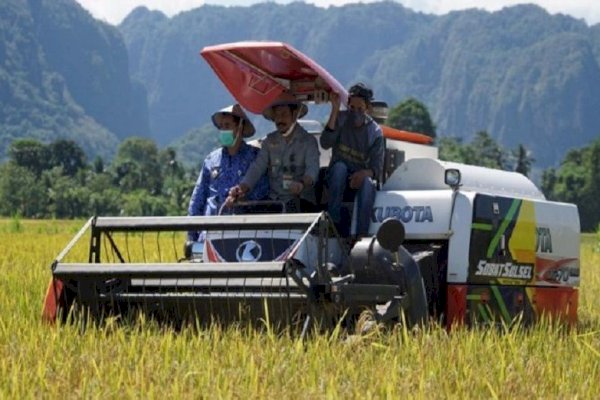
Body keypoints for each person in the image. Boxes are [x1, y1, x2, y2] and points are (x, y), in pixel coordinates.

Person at [227, 92, 320, 212]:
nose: (279, 119)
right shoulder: (269, 141)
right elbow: (257, 168)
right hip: (275, 201)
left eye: (284, 114)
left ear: (294, 115)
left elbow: (312, 171)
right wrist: (242, 187)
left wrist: (301, 184)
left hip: (301, 201)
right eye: (276, 115)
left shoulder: (308, 141)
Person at [187, 104, 268, 241]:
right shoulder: (211, 160)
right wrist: (191, 237)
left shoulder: (255, 157)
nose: (224, 130)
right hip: (209, 233)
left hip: (243, 233)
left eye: (228, 125)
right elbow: (198, 199)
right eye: (222, 127)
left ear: (240, 127)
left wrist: (243, 196)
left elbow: (264, 191)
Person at [320, 83, 384, 238]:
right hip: (336, 178)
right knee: (340, 168)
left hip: (358, 179)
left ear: (368, 109)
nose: (355, 112)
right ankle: (332, 223)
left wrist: (363, 174)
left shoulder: (375, 132)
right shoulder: (341, 119)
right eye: (352, 108)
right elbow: (325, 143)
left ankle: (361, 235)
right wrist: (334, 111)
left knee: (368, 184)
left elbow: (376, 168)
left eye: (360, 109)